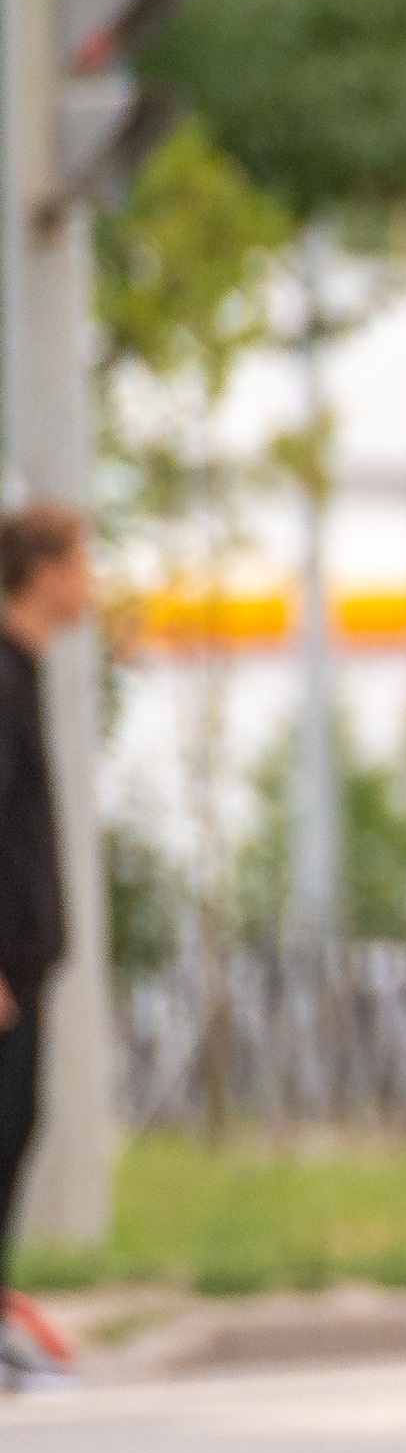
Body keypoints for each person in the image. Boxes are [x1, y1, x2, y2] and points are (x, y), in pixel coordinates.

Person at [0, 503, 92, 1382]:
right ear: (44, 572)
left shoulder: (23, 671)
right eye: (81, 561)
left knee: (16, 1125)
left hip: (23, 961)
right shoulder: (1, 674)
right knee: (2, 1127)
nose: (91, 579)